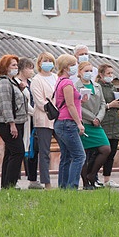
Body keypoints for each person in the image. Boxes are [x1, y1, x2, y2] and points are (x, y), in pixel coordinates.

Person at [0, 54, 28, 189]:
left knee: (10, 152)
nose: (16, 68)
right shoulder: (4, 83)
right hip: (6, 122)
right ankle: (10, 184)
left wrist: (21, 90)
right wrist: (11, 124)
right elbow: (5, 104)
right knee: (18, 152)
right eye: (13, 65)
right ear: (5, 67)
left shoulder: (13, 82)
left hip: (17, 121)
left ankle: (6, 185)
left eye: (17, 65)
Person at [52, 53, 86, 189]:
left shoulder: (59, 80)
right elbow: (70, 104)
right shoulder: (67, 83)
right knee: (79, 156)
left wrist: (81, 99)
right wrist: (79, 123)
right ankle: (72, 187)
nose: (75, 67)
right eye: (73, 65)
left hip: (60, 122)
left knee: (66, 157)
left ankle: (63, 186)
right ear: (66, 67)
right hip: (68, 122)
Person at [77, 61, 110, 190]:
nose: (89, 73)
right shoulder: (76, 86)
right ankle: (85, 182)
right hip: (85, 122)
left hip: (97, 123)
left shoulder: (97, 86)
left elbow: (103, 103)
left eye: (91, 71)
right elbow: (77, 105)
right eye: (86, 71)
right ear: (80, 72)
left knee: (105, 149)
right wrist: (92, 118)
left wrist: (99, 118)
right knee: (83, 154)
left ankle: (92, 174)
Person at [29, 52, 58, 189]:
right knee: (44, 152)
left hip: (59, 119)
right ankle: (47, 183)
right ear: (39, 63)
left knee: (67, 148)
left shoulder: (56, 77)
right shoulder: (37, 80)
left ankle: (66, 180)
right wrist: (51, 109)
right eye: (45, 60)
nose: (48, 63)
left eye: (50, 61)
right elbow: (39, 101)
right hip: (44, 119)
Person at [98, 63, 119, 188]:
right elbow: (98, 105)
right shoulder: (98, 88)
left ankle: (107, 179)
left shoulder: (113, 87)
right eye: (108, 73)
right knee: (102, 152)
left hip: (114, 123)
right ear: (101, 74)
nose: (111, 76)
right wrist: (110, 105)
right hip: (103, 123)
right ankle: (93, 176)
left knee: (112, 153)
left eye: (111, 73)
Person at [16, 57, 41, 189]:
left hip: (34, 121)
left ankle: (33, 179)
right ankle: (14, 179)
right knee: (19, 150)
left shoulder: (32, 82)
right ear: (22, 69)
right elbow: (24, 103)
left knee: (33, 149)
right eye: (29, 68)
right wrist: (36, 112)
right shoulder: (16, 83)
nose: (32, 71)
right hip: (23, 120)